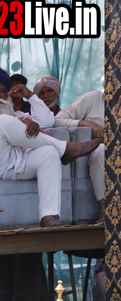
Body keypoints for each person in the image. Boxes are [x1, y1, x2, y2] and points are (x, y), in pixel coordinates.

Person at [0, 68, 100, 227]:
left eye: (2, 91)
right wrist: (21, 121)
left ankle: (48, 216)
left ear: (8, 95)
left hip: (14, 165)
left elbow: (47, 121)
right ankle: (65, 149)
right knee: (3, 122)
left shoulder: (16, 115)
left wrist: (30, 95)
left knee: (49, 152)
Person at [54, 87, 105, 218]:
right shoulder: (94, 98)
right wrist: (87, 124)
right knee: (101, 151)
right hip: (100, 149)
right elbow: (58, 120)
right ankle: (105, 211)